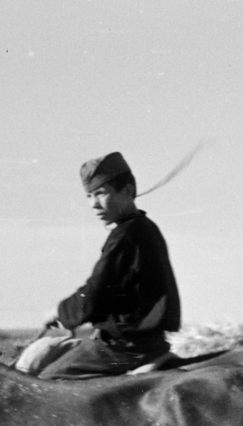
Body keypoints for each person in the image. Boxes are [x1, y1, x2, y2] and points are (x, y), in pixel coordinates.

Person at [19, 151, 182, 378]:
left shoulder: (126, 236)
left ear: (127, 191)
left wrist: (60, 311)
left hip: (125, 349)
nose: (93, 204)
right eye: (89, 196)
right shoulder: (143, 228)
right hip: (139, 343)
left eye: (101, 193)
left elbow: (96, 292)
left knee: (48, 382)